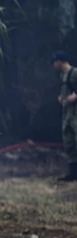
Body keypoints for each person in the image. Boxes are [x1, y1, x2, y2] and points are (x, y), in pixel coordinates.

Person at [52, 50, 77, 181]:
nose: (54, 66)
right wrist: (62, 97)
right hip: (67, 113)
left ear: (59, 61)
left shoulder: (75, 72)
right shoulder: (63, 75)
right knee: (69, 141)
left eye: (54, 63)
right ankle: (73, 173)